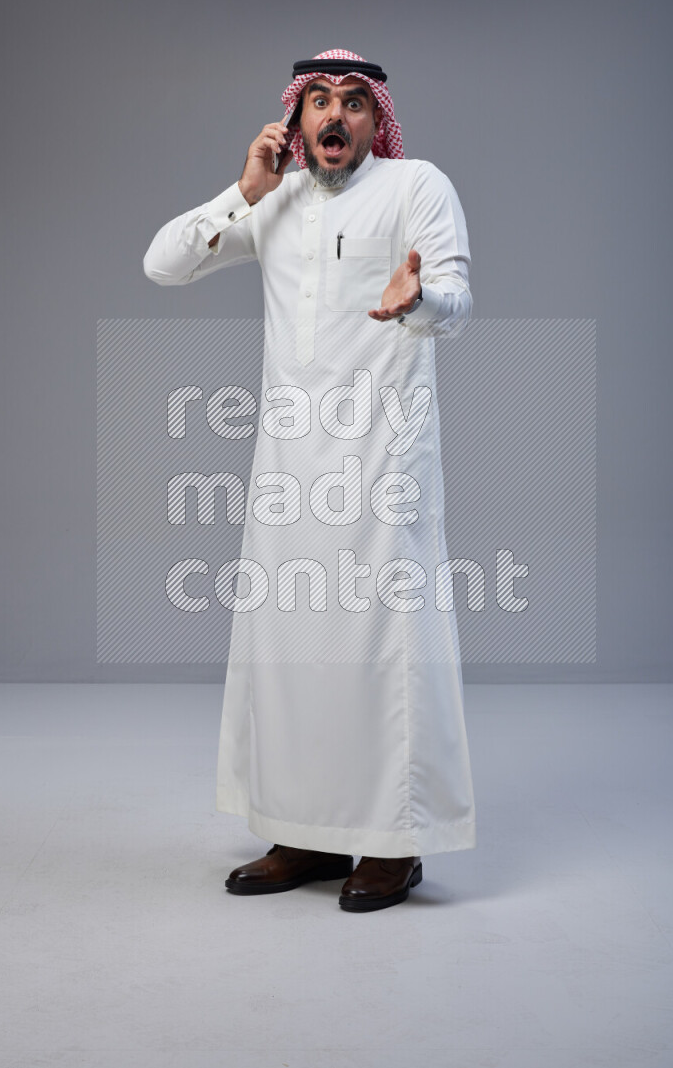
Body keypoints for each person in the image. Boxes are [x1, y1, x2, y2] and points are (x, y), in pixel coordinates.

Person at [143, 49, 476, 912]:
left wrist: (418, 301)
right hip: (289, 469)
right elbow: (162, 264)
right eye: (319, 101)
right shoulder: (276, 199)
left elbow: (458, 299)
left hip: (382, 462)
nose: (336, 115)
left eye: (355, 102)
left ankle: (391, 845)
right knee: (293, 653)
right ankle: (304, 830)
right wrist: (242, 192)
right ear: (297, 122)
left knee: (381, 652)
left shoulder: (417, 187)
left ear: (377, 120)